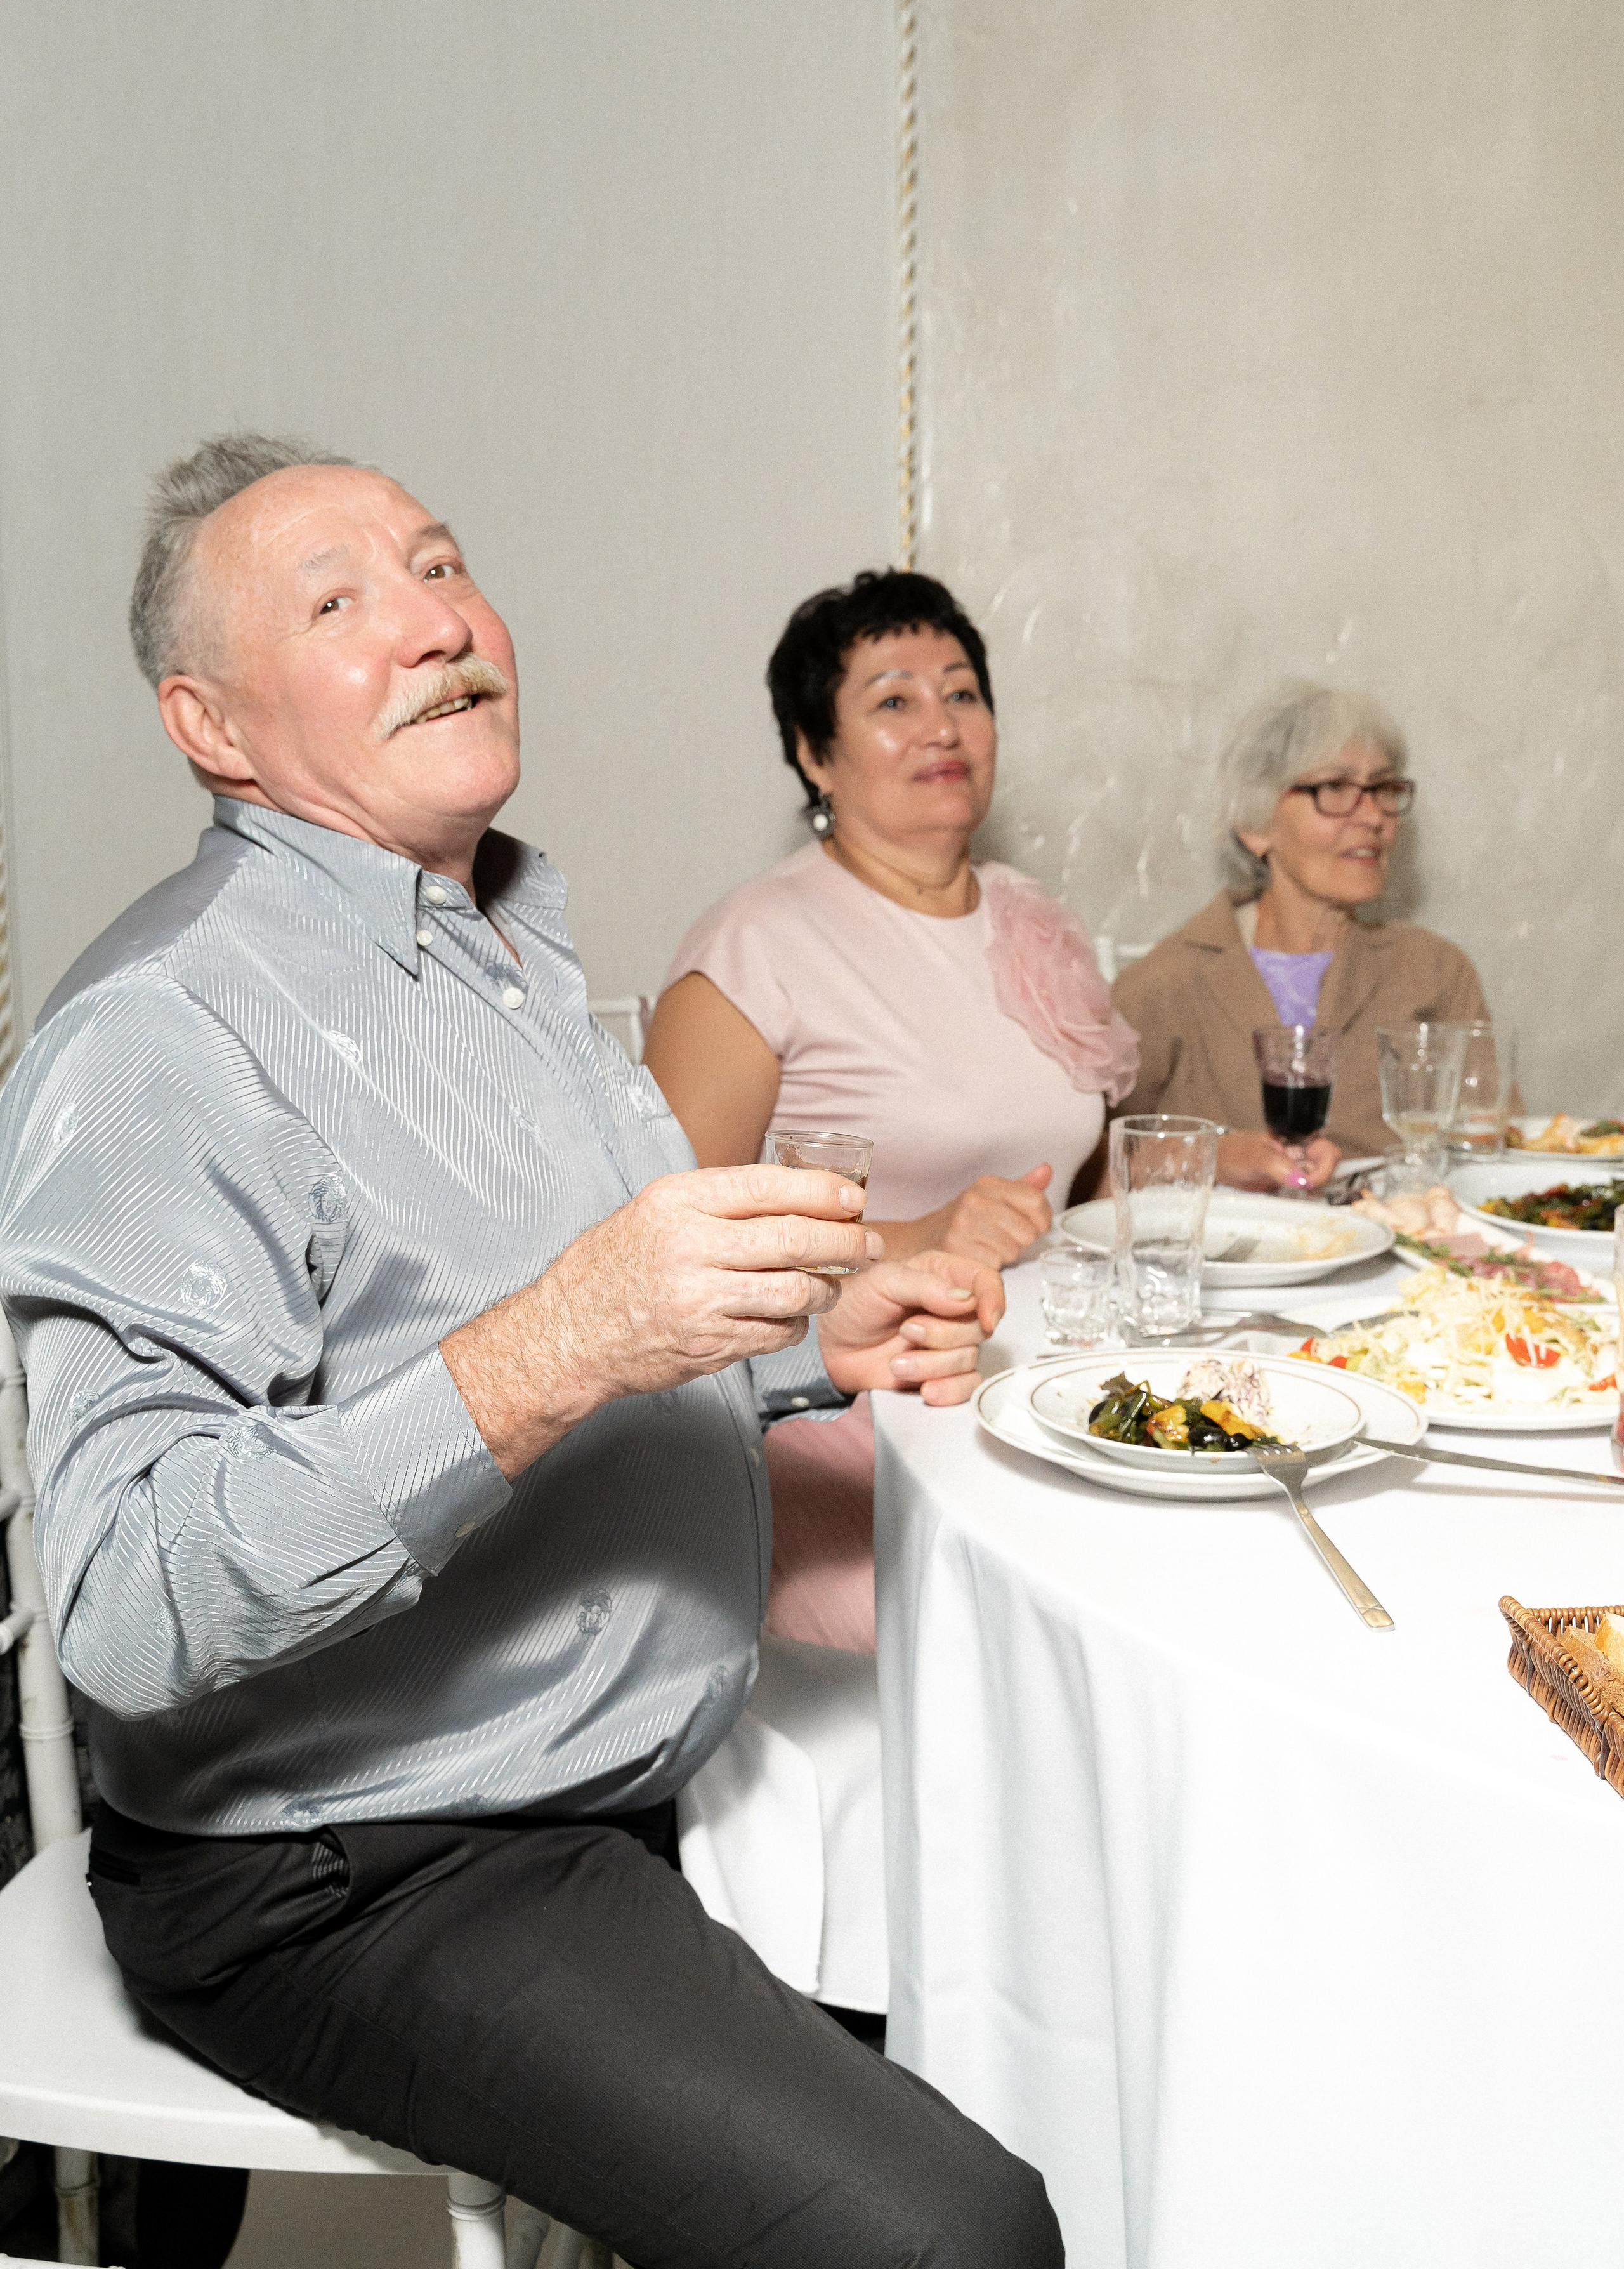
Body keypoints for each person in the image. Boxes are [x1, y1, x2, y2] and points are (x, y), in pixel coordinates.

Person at [0, 436, 1063, 2269]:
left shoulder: (497, 944)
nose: (434, 622)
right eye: (340, 604)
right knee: (956, 2237)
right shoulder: (167, 1030)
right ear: (216, 726)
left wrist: (810, 1345)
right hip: (362, 1861)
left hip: (611, 1767)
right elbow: (128, 1596)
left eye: (440, 565)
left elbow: (536, 1339)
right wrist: (566, 1340)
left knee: (1028, 1975)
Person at [645, 569, 1136, 1650]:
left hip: (1034, 1382)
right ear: (813, 753)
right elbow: (665, 1258)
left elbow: (1075, 1182)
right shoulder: (755, 944)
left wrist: (1205, 1175)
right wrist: (918, 1238)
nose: (941, 725)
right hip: (833, 1409)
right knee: (1033, 1633)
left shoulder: (1032, 915)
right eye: (893, 701)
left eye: (962, 692)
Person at [1111, 680, 1489, 1176]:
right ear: (1255, 824)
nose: (1374, 816)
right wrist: (1212, 1159)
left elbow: (1488, 1154)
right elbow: (1098, 1165)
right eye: (1335, 789)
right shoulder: (1164, 984)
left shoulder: (1435, 972)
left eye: (1383, 789)